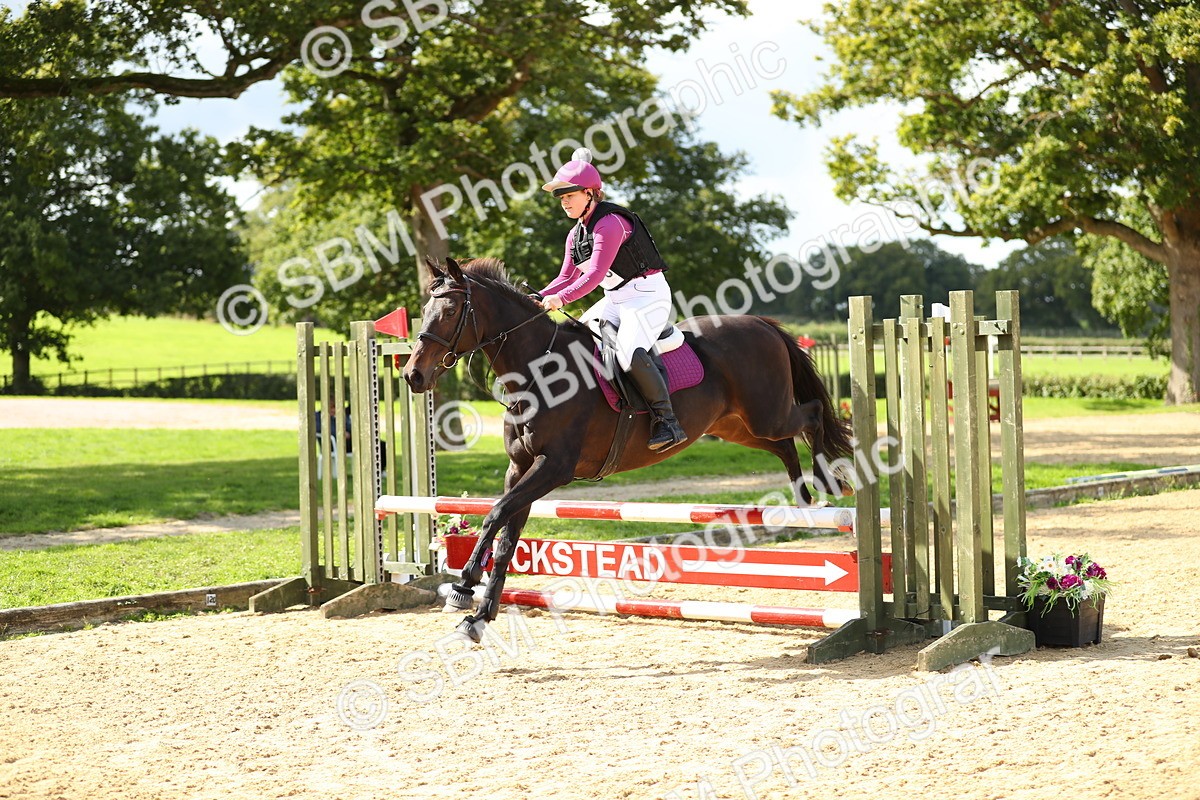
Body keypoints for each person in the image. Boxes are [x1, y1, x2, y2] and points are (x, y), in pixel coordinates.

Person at [535, 148, 687, 452]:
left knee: (628, 350)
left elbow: (591, 277)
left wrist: (559, 300)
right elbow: (564, 278)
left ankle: (667, 421)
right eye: (560, 197)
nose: (563, 201)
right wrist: (535, 297)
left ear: (590, 193)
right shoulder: (575, 234)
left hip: (647, 296)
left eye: (569, 194)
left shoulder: (610, 223)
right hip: (615, 299)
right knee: (579, 340)